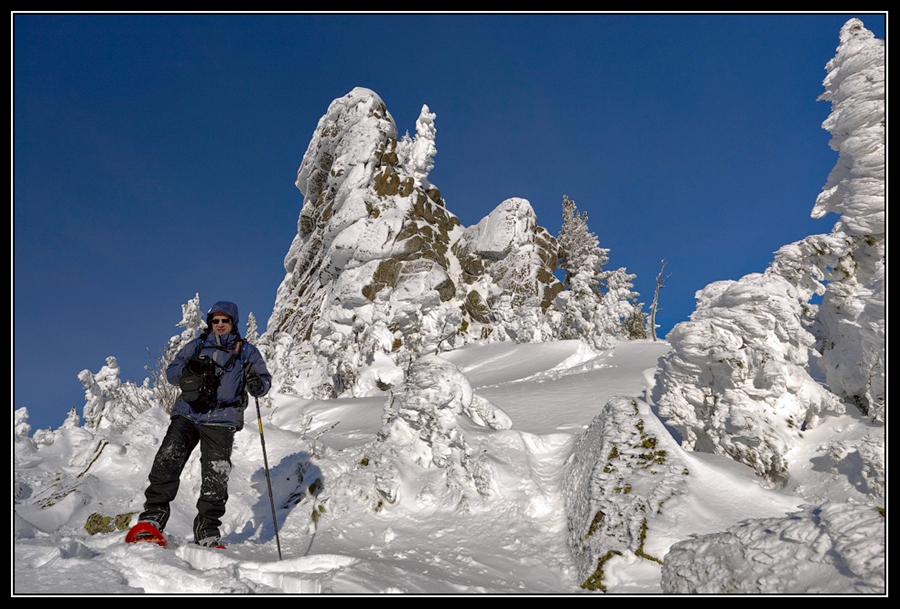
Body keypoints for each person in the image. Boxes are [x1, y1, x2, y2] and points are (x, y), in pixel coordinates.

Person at [127, 301, 271, 548]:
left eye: (225, 321)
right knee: (166, 462)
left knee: (216, 475)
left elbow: (264, 383)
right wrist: (188, 371)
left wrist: (257, 383)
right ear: (210, 323)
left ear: (233, 322)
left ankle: (207, 530)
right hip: (188, 413)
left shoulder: (246, 351)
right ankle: (152, 521)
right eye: (216, 321)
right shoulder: (197, 346)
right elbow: (171, 373)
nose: (220, 325)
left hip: (222, 420)